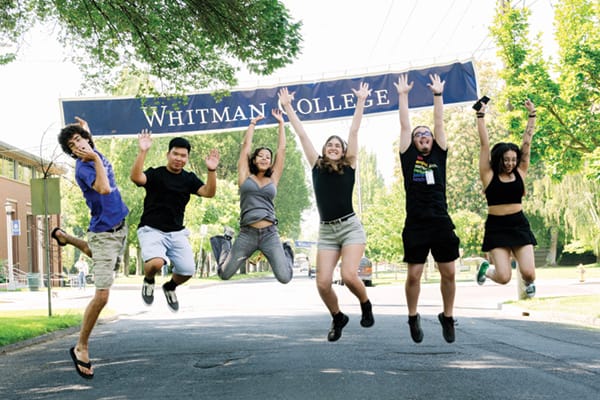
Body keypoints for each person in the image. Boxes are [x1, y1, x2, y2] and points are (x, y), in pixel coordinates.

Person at [279, 82, 374, 342]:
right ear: (324, 150)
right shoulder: (316, 166)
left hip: (350, 227)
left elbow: (354, 131)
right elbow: (302, 136)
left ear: (343, 151)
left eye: (337, 145)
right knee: (322, 283)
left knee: (348, 275)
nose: (333, 147)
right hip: (327, 230)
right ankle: (338, 317)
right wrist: (288, 107)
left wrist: (361, 101)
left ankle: (365, 303)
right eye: (329, 145)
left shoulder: (350, 165)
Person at [58, 117, 129, 379]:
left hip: (120, 227)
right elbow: (104, 188)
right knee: (102, 297)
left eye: (80, 139)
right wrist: (95, 158)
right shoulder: (83, 169)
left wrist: (85, 130)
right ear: (72, 153)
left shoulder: (91, 148)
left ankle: (66, 238)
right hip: (104, 234)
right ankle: (81, 347)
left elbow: (87, 139)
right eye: (72, 145)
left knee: (105, 261)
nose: (78, 144)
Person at [394, 73, 459, 344]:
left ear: (433, 141)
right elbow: (405, 125)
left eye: (427, 135)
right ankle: (412, 316)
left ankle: (447, 315)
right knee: (414, 275)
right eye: (419, 135)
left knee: (450, 273)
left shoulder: (439, 154)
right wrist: (403, 95)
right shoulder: (409, 157)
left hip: (441, 222)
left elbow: (439, 122)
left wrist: (437, 94)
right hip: (417, 224)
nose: (423, 137)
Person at [130, 132, 219, 312]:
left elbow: (209, 192)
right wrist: (143, 151)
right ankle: (149, 280)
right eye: (175, 154)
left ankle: (170, 287)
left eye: (183, 155)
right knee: (156, 263)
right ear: (168, 154)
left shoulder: (188, 179)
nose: (179, 158)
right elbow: (136, 178)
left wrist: (211, 170)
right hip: (151, 229)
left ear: (187, 158)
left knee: (187, 271)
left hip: (176, 232)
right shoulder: (156, 174)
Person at [210, 109, 294, 283]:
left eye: (268, 157)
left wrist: (281, 123)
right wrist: (252, 124)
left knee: (285, 277)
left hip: (270, 234)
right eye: (260, 156)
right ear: (254, 160)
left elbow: (282, 149)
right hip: (247, 233)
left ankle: (286, 250)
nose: (264, 159)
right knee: (224, 274)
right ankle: (225, 240)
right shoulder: (245, 177)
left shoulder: (273, 178)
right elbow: (245, 147)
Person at [475, 99, 538, 297]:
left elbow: (527, 143)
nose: (510, 163)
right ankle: (487, 269)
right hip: (496, 227)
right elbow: (484, 144)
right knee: (504, 278)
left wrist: (532, 116)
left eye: (513, 159)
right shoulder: (488, 175)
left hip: (518, 224)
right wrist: (480, 116)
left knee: (529, 273)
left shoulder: (521, 171)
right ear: (499, 159)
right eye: (506, 160)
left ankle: (529, 284)